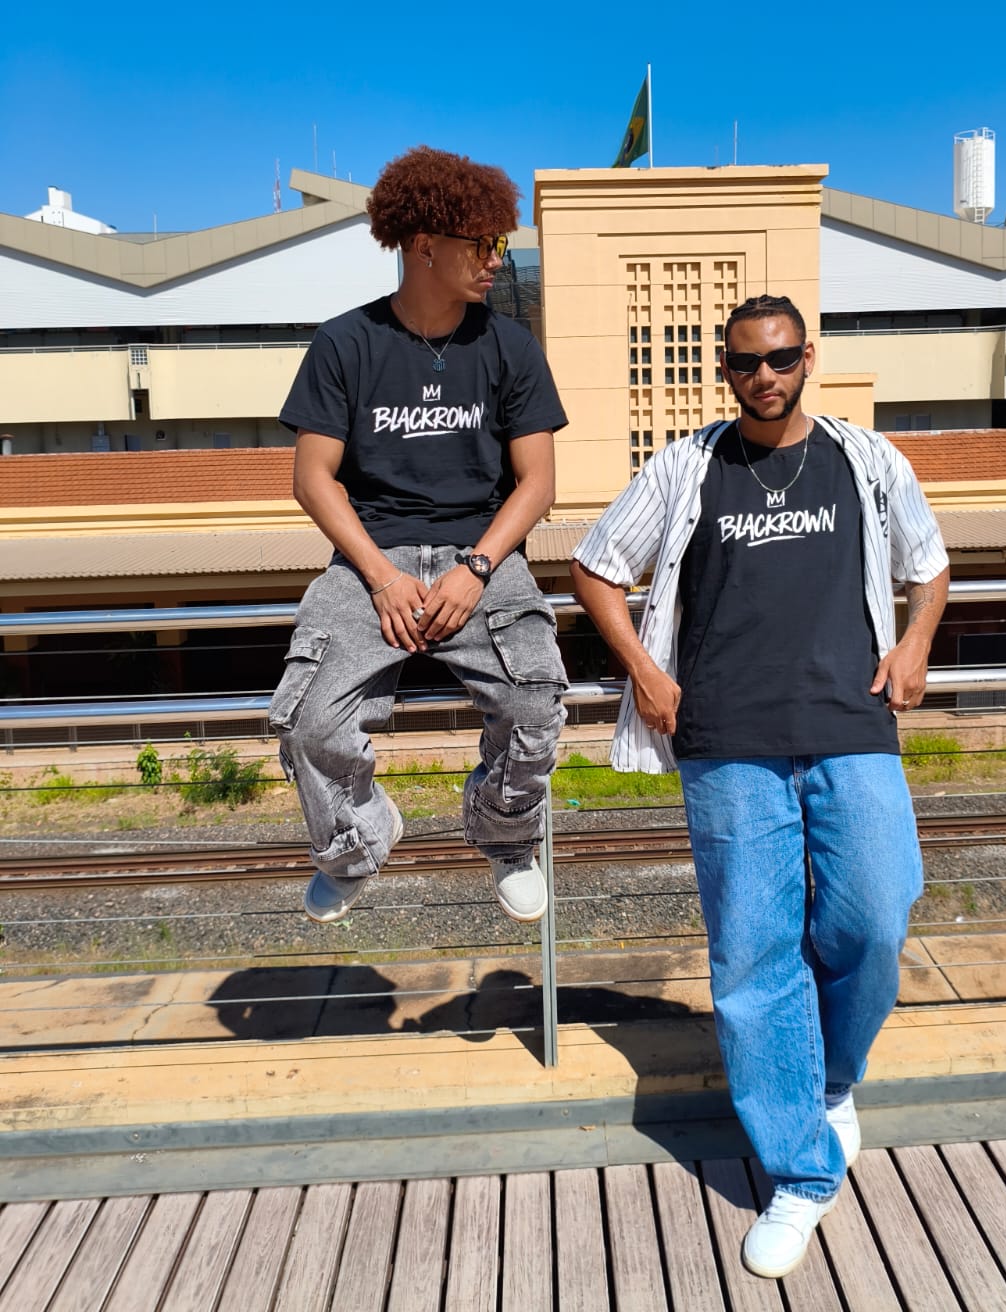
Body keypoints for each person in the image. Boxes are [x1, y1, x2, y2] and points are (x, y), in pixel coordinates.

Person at [570, 293, 949, 1279]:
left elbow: (929, 565)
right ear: (725, 369)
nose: (764, 377)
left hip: (852, 722)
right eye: (745, 363)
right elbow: (597, 567)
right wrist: (644, 672)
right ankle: (800, 1171)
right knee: (753, 953)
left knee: (875, 916)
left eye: (780, 358)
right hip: (727, 739)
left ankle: (830, 1079)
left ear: (807, 357)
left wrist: (916, 643)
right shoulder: (687, 466)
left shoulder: (868, 459)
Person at [270, 146, 568, 927]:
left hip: (484, 553)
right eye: (482, 243)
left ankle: (505, 837)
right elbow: (313, 479)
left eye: (500, 242)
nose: (496, 259)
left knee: (536, 703)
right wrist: (379, 576)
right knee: (307, 719)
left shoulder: (510, 347)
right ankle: (359, 841)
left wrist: (476, 568)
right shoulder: (346, 344)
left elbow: (538, 483)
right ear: (425, 245)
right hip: (371, 557)